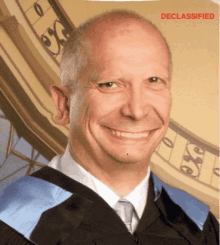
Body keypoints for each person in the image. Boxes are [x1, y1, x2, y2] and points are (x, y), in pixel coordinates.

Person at [0, 10, 218, 245]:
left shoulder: (199, 227)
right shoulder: (11, 224)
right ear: (64, 104)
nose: (136, 110)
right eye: (110, 84)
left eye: (154, 81)